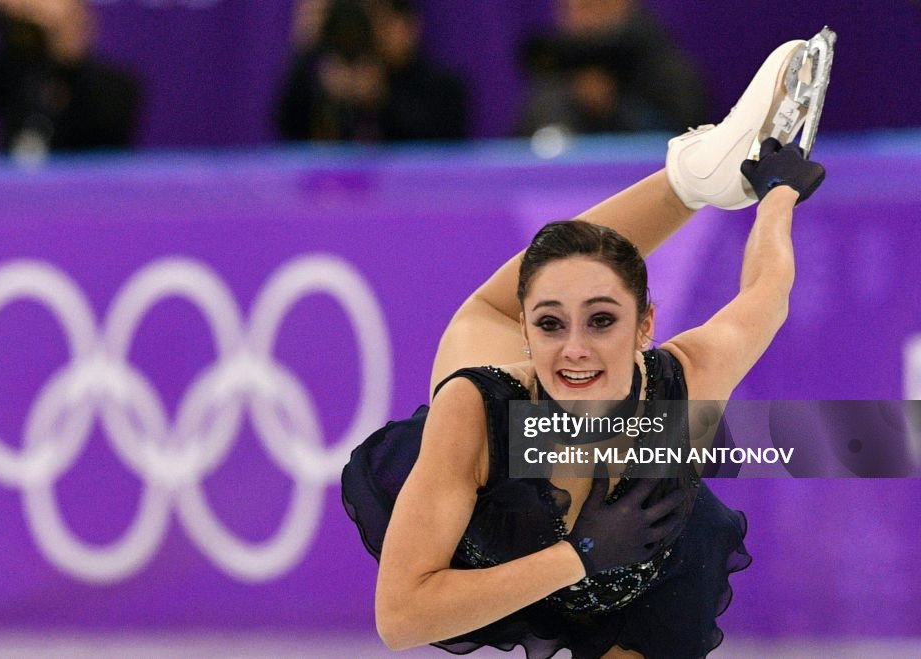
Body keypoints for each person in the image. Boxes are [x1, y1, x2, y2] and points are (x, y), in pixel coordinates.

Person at [343, 32, 829, 659]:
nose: (574, 349)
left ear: (645, 326)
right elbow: (401, 618)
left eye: (602, 322)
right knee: (530, 290)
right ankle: (690, 178)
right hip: (502, 494)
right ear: (524, 329)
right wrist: (579, 556)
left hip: (644, 574)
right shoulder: (476, 411)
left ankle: (696, 178)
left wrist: (779, 194)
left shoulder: (687, 383)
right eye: (548, 324)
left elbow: (767, 293)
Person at [0, 0, 142, 156]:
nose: (66, 28)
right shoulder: (17, 76)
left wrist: (67, 62)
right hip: (12, 196)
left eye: (75, 21)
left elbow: (107, 138)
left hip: (79, 198)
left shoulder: (115, 85)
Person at [275, 0, 469, 142]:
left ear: (409, 24)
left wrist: (380, 99)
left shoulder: (443, 87)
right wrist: (305, 49)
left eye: (383, 17)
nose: (376, 30)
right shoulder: (329, 76)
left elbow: (442, 148)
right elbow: (288, 128)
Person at [517, 0, 707, 136]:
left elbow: (684, 147)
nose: (584, 20)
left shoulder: (666, 71)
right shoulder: (554, 73)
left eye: (592, 6)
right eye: (572, 9)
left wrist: (612, 109)